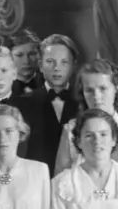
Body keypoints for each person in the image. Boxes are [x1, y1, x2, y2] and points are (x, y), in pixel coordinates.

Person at [54, 59, 118, 174]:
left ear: (116, 88)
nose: (96, 96)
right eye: (89, 90)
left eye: (103, 88)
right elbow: (60, 180)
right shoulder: (71, 129)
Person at [19, 34, 81, 173]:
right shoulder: (22, 103)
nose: (56, 68)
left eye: (64, 62)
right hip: (35, 181)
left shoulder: (83, 102)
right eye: (50, 61)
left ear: (73, 65)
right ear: (40, 65)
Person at [7, 29, 44, 96]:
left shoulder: (51, 84)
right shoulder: (0, 88)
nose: (26, 61)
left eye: (32, 54)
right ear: (10, 57)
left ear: (40, 56)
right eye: (19, 55)